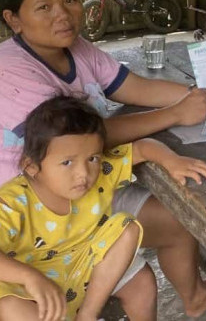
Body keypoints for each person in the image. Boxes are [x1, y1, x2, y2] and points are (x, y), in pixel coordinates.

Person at [0, 0, 206, 316]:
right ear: (13, 19)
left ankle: (195, 297)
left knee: (178, 219)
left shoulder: (77, 48)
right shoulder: (11, 71)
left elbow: (135, 86)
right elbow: (74, 143)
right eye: (44, 7)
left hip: (86, 183)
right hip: (38, 205)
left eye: (71, 1)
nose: (64, 15)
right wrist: (175, 114)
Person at [0, 96, 171, 320]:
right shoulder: (12, 203)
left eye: (92, 158)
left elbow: (143, 148)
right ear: (31, 166)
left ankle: (88, 315)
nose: (83, 173)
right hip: (28, 282)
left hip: (81, 266)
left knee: (137, 265)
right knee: (11, 308)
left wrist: (173, 161)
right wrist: (30, 277)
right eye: (67, 162)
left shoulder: (101, 174)